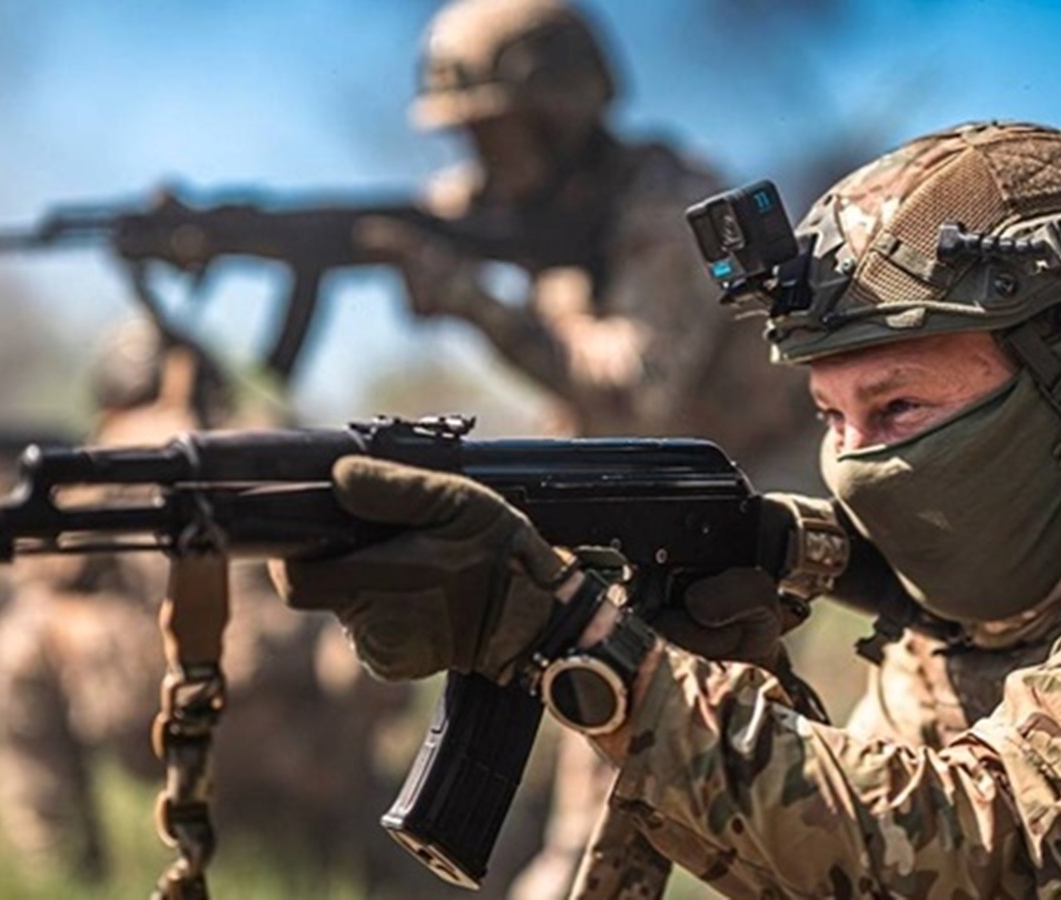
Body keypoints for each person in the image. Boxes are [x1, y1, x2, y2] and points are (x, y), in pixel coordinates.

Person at [274, 120, 1061, 897]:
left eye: (898, 408)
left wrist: (584, 645)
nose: (855, 465)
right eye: (829, 416)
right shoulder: (950, 639)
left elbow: (978, 844)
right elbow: (850, 866)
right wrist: (744, 684)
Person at [358, 2, 821, 895]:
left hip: (747, 488)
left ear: (558, 118)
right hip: (644, 487)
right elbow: (417, 217)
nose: (476, 161)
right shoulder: (536, 200)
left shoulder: (662, 206)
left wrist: (475, 300)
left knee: (616, 731)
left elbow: (633, 388)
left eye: (492, 134)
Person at [0, 316, 407, 884]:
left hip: (176, 716)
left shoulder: (119, 449)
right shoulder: (276, 433)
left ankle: (65, 869)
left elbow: (47, 567)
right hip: (303, 732)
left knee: (24, 637)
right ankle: (358, 840)